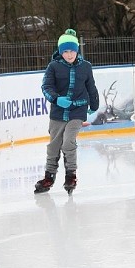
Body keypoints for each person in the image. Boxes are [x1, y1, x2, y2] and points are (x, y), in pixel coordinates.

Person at [34, 29, 99, 195]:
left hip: (78, 109)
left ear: (77, 50)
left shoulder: (85, 67)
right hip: (58, 112)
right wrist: (56, 99)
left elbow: (91, 86)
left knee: (68, 141)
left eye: (72, 51)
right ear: (60, 52)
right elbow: (46, 87)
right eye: (66, 51)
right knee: (54, 145)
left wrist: (94, 103)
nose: (69, 55)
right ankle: (49, 177)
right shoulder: (53, 67)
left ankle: (71, 175)